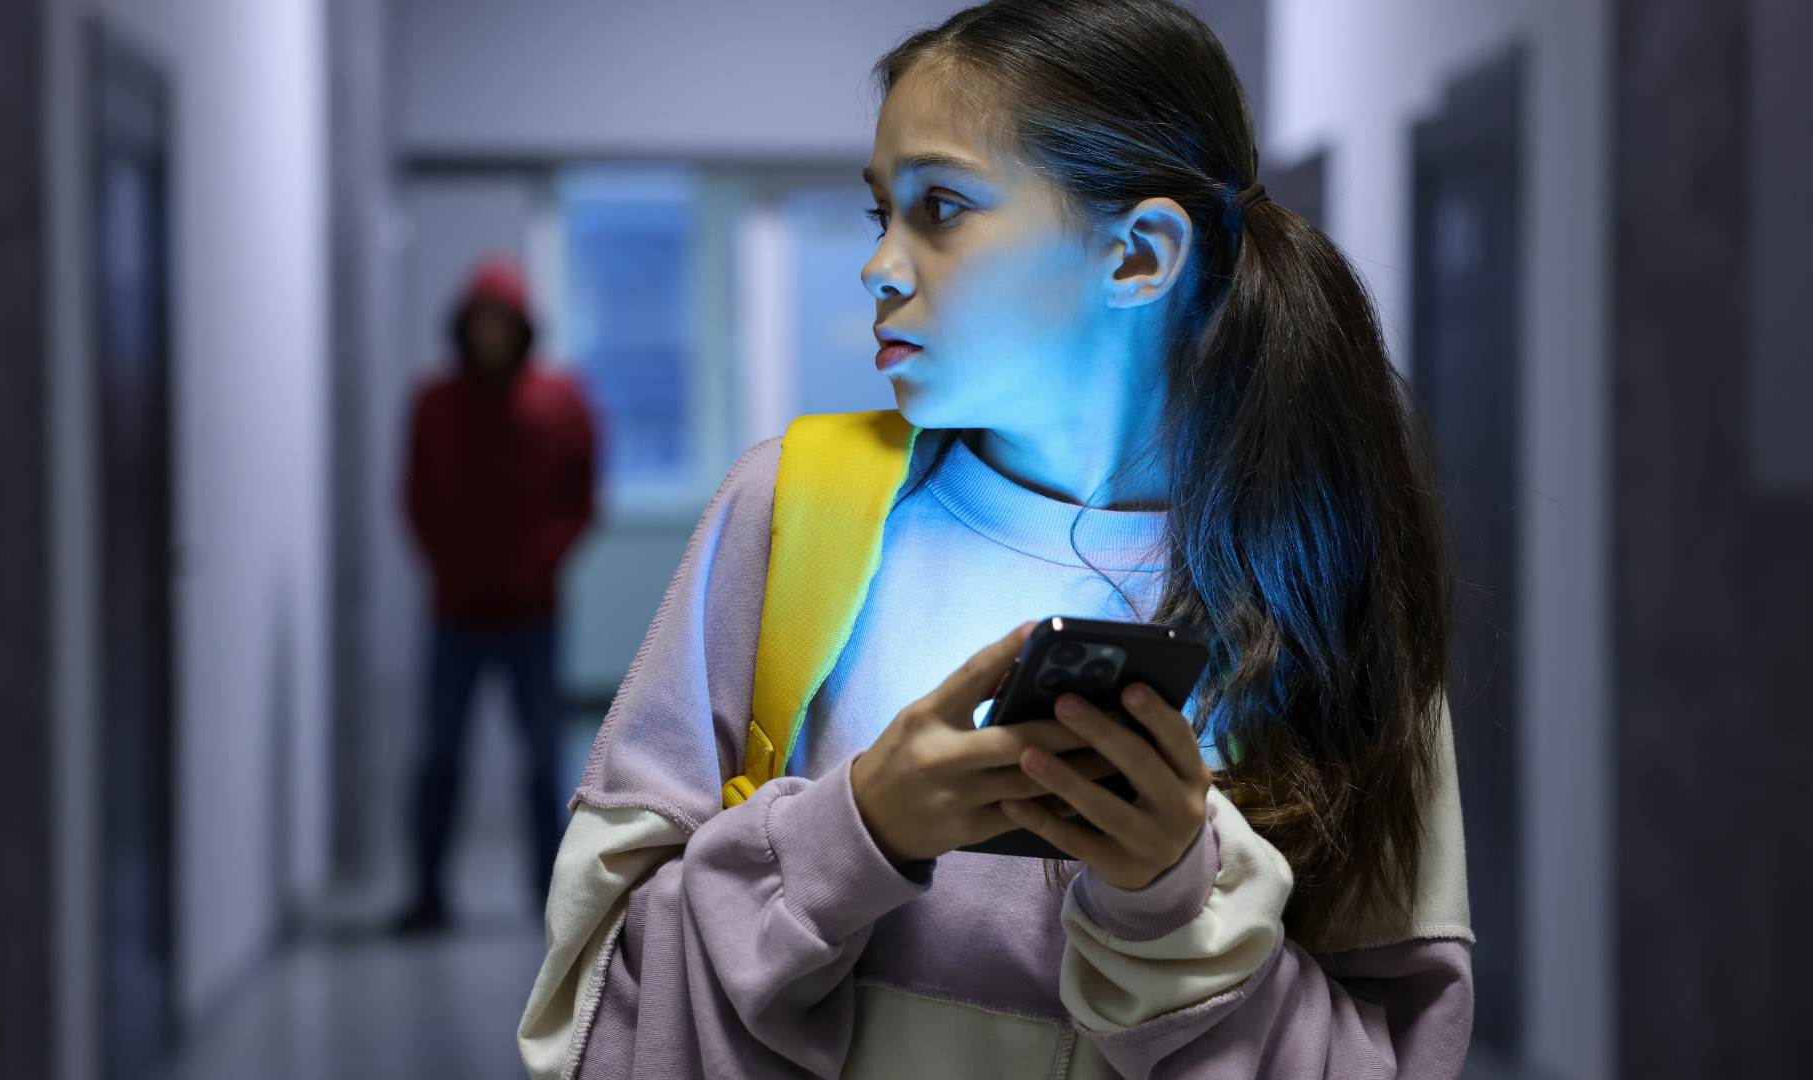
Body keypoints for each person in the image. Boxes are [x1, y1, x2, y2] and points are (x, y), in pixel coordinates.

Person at [520, 1, 1471, 1075]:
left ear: (1139, 256)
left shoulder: (1323, 578)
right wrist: (855, 832)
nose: (879, 264)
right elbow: (592, 1002)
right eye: (879, 210)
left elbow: (1390, 1055)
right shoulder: (792, 511)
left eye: (941, 207)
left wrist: (1172, 906)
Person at [395, 260, 595, 933]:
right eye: (480, 322)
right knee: (439, 756)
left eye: (501, 323)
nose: (490, 335)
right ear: (463, 328)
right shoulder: (435, 403)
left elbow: (582, 494)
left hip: (531, 614)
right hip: (455, 612)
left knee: (541, 760)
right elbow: (416, 496)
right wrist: (447, 563)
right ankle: (427, 893)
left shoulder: (558, 401)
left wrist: (543, 558)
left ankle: (548, 896)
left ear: (521, 329)